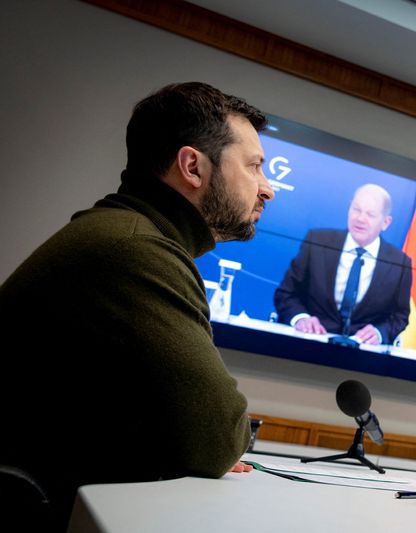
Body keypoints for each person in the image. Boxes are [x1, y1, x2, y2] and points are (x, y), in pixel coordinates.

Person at [0, 82, 274, 529]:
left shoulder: (125, 233)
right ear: (192, 167)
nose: (267, 190)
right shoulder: (136, 250)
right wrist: (205, 441)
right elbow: (218, 436)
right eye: (255, 167)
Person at [274, 184, 412, 345]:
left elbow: (399, 316)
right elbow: (285, 294)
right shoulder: (317, 241)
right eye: (356, 210)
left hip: (362, 356)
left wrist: (379, 333)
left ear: (385, 223)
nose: (360, 219)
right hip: (309, 343)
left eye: (370, 214)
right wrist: (300, 318)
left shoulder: (400, 263)